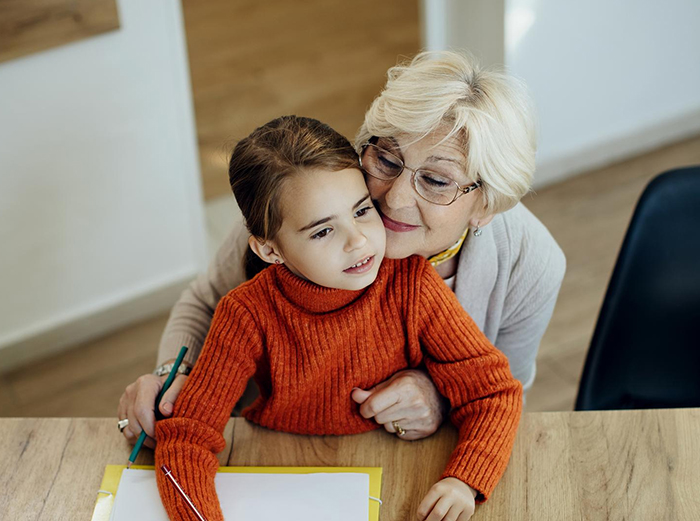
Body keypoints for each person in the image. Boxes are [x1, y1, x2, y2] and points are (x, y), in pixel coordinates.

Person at [118, 50, 565, 448]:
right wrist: (172, 375)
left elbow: (506, 392)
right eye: (387, 159)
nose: (393, 199)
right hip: (273, 441)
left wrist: (440, 400)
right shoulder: (298, 217)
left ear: (486, 205)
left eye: (436, 180)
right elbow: (204, 302)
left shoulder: (531, 264)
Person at [155, 115, 522, 521]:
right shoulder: (245, 314)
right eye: (322, 232)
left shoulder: (413, 287)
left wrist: (464, 480)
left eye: (362, 210)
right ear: (269, 250)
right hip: (270, 465)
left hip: (395, 467)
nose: (359, 240)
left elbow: (493, 393)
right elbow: (187, 435)